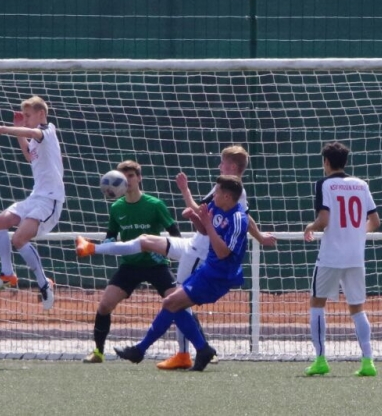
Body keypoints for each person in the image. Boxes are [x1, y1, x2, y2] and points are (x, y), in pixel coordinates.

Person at [76, 145, 276, 369]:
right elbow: (205, 218)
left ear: (232, 167)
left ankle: (185, 352)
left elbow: (234, 226)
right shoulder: (223, 188)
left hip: (202, 256)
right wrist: (195, 213)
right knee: (145, 241)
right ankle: (92, 248)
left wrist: (258, 236)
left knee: (176, 302)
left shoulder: (234, 197)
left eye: (223, 162)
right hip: (192, 245)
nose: (219, 165)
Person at [113, 175, 248, 372]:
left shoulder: (238, 219)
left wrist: (208, 224)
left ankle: (142, 350)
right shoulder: (218, 207)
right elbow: (205, 232)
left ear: (227, 197)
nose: (214, 195)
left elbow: (222, 252)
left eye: (217, 192)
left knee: (171, 303)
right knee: (174, 304)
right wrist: (196, 219)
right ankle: (201, 349)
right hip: (208, 270)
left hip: (219, 277)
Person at [77, 160, 184, 364]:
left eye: (131, 176)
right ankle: (98, 352)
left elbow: (175, 235)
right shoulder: (116, 207)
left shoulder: (155, 204)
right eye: (122, 177)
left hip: (156, 265)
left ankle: (204, 350)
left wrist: (163, 252)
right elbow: (111, 235)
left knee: (180, 303)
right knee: (104, 306)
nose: (127, 180)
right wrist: (107, 242)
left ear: (139, 178)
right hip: (130, 266)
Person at [301, 141, 381, 377]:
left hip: (331, 256)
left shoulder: (324, 184)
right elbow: (375, 221)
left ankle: (320, 359)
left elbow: (324, 220)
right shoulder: (361, 185)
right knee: (357, 308)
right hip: (355, 256)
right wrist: (355, 234)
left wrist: (310, 226)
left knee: (317, 303)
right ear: (345, 161)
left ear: (326, 162)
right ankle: (368, 361)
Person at [0, 96, 63, 312]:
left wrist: (3, 128)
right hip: (35, 197)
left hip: (50, 199)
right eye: (24, 116)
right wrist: (19, 132)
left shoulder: (47, 131)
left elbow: (32, 133)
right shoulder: (36, 139)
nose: (25, 120)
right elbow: (30, 156)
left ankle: (44, 283)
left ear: (41, 114)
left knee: (19, 239)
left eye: (28, 115)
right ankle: (7, 274)